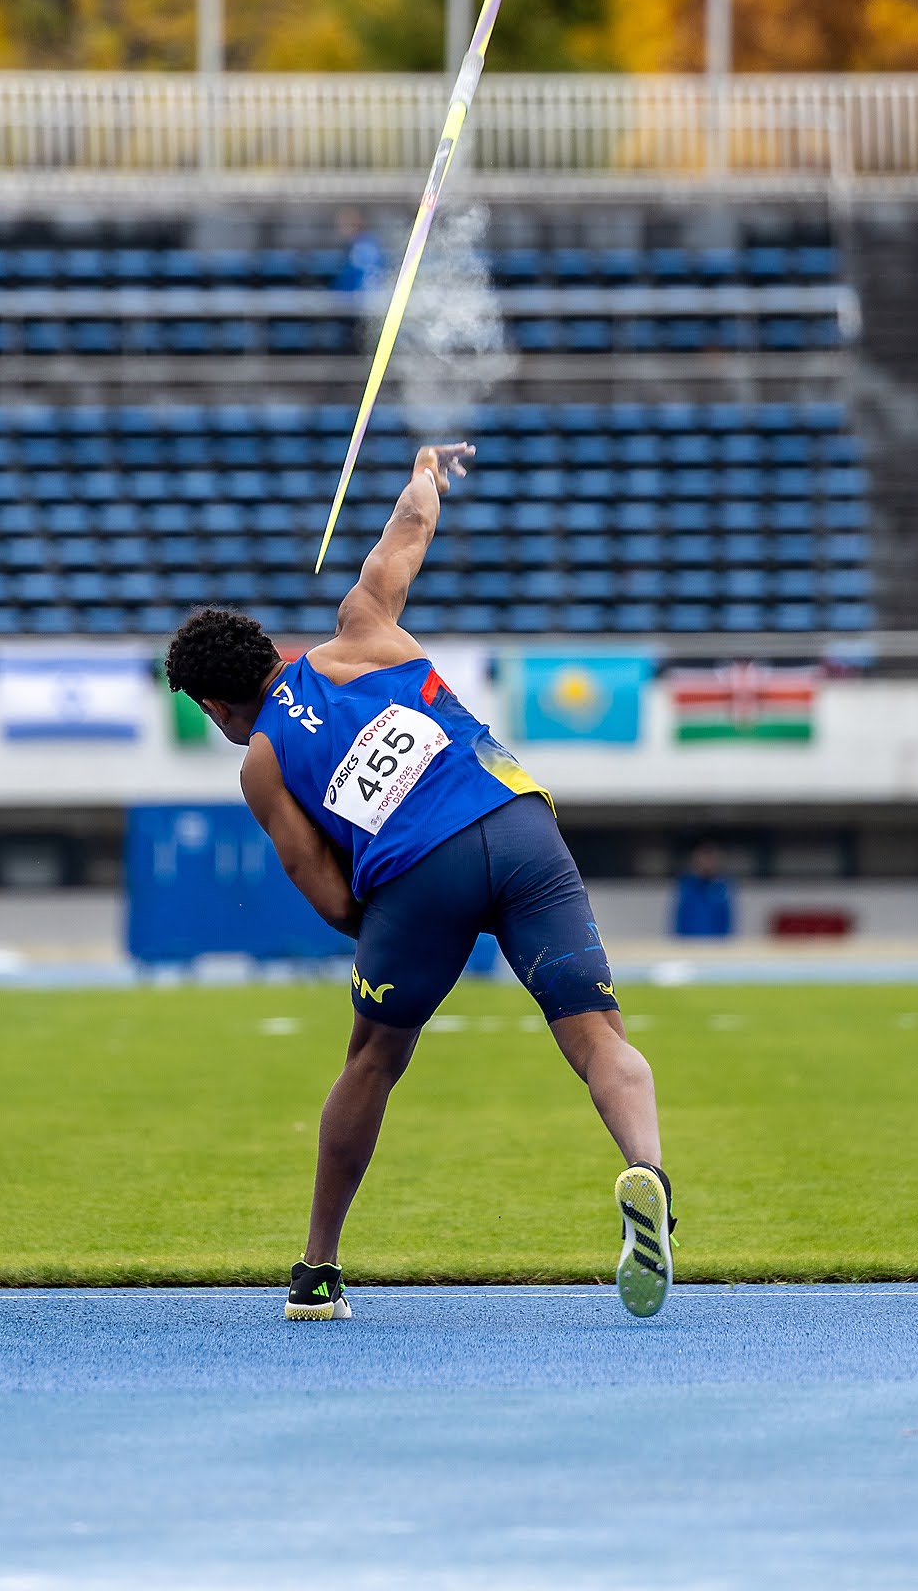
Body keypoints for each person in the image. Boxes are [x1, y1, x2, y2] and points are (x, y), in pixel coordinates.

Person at [165, 443, 673, 1322]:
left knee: (372, 1060)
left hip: (414, 877)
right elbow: (408, 529)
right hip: (519, 823)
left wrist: (407, 925)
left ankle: (318, 1271)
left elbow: (330, 899)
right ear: (271, 649)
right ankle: (647, 1169)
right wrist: (425, 471)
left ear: (212, 705)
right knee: (596, 1035)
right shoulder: (362, 625)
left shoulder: (263, 762)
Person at [672, 840, 735, 938]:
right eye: (704, 858)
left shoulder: (723, 888)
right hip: (690, 942)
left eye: (711, 859)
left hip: (716, 943)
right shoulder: (686, 886)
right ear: (696, 860)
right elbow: (680, 920)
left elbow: (726, 922)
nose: (707, 863)